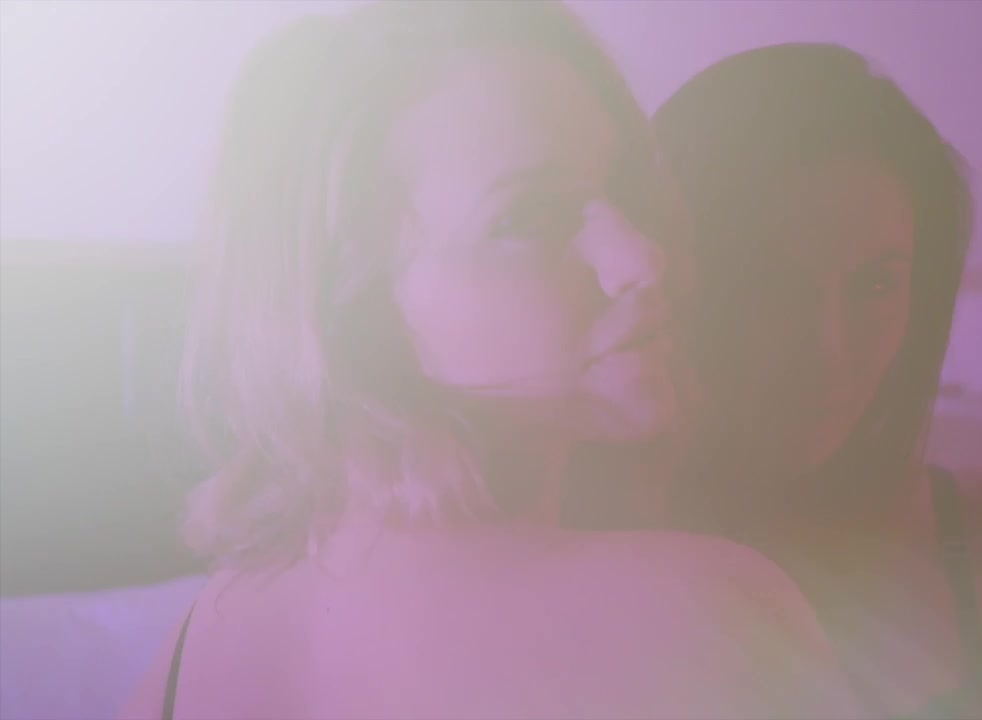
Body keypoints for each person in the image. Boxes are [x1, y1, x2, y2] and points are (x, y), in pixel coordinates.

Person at [120, 8, 857, 719]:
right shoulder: (706, 610)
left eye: (623, 191)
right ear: (355, 308)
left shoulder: (203, 633)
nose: (641, 258)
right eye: (529, 218)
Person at [650, 43, 982, 719]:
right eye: (773, 285)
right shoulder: (601, 557)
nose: (830, 347)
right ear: (675, 279)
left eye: (876, 285)